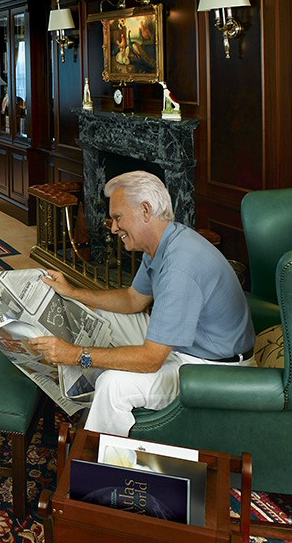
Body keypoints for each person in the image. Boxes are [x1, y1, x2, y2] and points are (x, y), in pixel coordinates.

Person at [27, 171, 255, 436]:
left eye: (118, 217)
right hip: (187, 347)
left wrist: (77, 354)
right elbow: (132, 299)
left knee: (113, 386)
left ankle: (99, 456)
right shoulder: (165, 241)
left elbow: (151, 359)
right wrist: (74, 292)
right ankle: (85, 394)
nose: (113, 228)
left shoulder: (180, 266)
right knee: (102, 316)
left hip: (214, 370)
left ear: (145, 210)